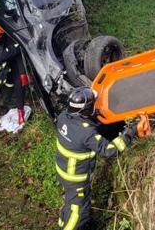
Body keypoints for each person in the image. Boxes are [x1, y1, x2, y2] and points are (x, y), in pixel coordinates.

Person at [55, 87, 143, 230]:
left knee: (71, 204)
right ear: (85, 111)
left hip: (64, 171)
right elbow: (109, 150)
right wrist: (129, 131)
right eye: (92, 105)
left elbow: (88, 126)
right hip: (76, 179)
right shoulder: (86, 133)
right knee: (78, 213)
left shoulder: (63, 117)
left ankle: (65, 224)